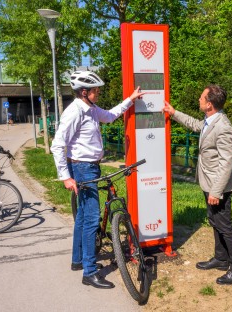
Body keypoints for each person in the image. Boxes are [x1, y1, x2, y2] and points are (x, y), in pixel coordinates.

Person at [51, 71, 145, 289]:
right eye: (95, 90)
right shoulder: (75, 112)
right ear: (84, 92)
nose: (98, 93)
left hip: (89, 167)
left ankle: (77, 260)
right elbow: (57, 145)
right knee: (92, 219)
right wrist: (65, 177)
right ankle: (90, 272)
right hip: (82, 169)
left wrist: (130, 99)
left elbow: (110, 115)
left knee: (83, 217)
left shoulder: (91, 109)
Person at [162, 84, 232, 285]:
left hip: (219, 186)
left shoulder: (223, 127)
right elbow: (195, 125)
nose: (199, 100)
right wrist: (173, 113)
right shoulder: (210, 121)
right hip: (208, 182)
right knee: (214, 220)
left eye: (201, 98)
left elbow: (227, 163)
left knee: (225, 226)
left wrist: (216, 192)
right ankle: (220, 258)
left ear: (209, 104)